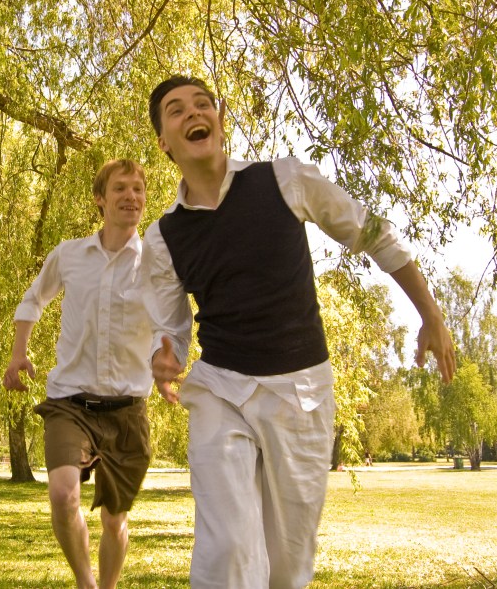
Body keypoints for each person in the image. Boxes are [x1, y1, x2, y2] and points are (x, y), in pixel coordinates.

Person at [143, 76, 456, 589]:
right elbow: (171, 327)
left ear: (219, 120)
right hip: (221, 388)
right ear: (164, 141)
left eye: (204, 104)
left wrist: (431, 315)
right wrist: (166, 352)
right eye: (176, 111)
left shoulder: (285, 180)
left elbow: (372, 232)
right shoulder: (164, 237)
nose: (194, 113)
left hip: (301, 394)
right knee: (227, 551)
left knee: (287, 568)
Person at [3, 159, 152, 589]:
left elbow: (172, 319)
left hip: (127, 410)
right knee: (64, 495)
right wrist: (18, 354)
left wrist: (167, 358)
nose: (130, 197)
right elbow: (33, 300)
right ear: (100, 200)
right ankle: (86, 583)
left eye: (138, 190)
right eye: (120, 189)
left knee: (114, 519)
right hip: (70, 402)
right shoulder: (69, 255)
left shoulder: (154, 262)